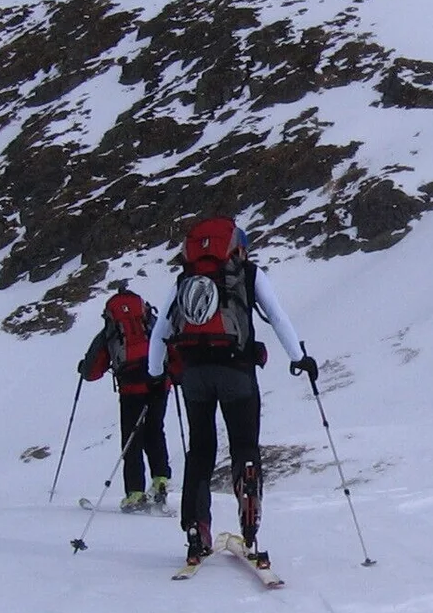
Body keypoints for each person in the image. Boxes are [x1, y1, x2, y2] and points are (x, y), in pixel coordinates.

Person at [147, 217, 319, 567]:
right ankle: (250, 518)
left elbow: (160, 331)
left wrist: (154, 374)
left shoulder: (184, 280)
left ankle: (197, 529)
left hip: (194, 375)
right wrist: (299, 358)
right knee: (244, 445)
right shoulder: (250, 275)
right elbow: (278, 316)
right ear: (239, 247)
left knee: (200, 451)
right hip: (237, 371)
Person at [78, 288, 175, 513]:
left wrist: (83, 368)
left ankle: (135, 493)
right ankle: (160, 480)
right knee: (155, 431)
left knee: (131, 439)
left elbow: (92, 371)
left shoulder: (111, 330)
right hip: (159, 383)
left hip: (131, 388)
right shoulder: (150, 321)